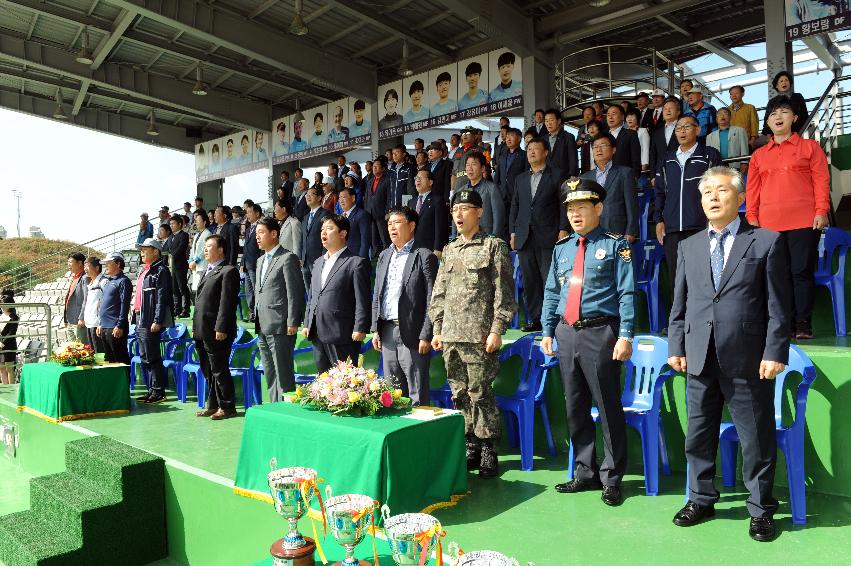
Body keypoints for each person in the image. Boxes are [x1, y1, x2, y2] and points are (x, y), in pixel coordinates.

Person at [668, 166, 791, 542]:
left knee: (755, 436)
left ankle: (760, 509)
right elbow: (680, 302)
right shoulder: (687, 246)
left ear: (740, 198)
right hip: (698, 354)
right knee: (699, 434)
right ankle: (701, 499)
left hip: (748, 357)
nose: (714, 198)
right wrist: (676, 344)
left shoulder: (766, 241)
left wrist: (774, 352)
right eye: (707, 193)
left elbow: (779, 306)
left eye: (722, 191)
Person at [541, 177, 635, 507]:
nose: (575, 214)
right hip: (568, 334)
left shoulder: (615, 245)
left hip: (601, 333)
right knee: (574, 405)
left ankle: (612, 477)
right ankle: (585, 471)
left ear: (598, 208)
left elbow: (626, 293)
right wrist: (547, 331)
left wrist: (625, 335)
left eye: (582, 207)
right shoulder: (561, 249)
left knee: (608, 407)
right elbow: (553, 292)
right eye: (570, 209)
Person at [429, 189, 516, 478]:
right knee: (459, 394)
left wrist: (496, 330)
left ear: (479, 212)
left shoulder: (494, 246)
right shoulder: (450, 249)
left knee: (481, 393)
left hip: (479, 336)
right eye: (455, 209)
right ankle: (470, 445)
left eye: (465, 208)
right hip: (452, 336)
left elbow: (504, 293)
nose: (459, 214)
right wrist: (438, 328)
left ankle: (489, 447)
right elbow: (439, 292)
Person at [747, 95, 830, 339]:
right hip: (770, 224)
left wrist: (821, 210)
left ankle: (803, 322)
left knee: (800, 272)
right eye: (773, 114)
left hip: (805, 220)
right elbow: (752, 189)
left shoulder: (810, 148)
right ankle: (783, 324)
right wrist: (752, 216)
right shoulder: (759, 156)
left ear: (794, 118)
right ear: (768, 122)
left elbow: (821, 180)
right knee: (776, 276)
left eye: (784, 112)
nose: (778, 117)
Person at [372, 207, 438, 406]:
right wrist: (375, 328)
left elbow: (432, 297)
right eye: (389, 224)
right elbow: (377, 293)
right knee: (391, 392)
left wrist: (427, 333)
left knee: (416, 392)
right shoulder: (384, 256)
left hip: (413, 331)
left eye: (397, 223)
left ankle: (419, 435)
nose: (392, 228)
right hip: (387, 330)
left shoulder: (424, 255)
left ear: (411, 226)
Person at [655, 116, 722, 288]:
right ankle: (679, 316)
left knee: (703, 278)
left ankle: (704, 315)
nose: (682, 131)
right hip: (672, 229)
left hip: (701, 226)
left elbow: (718, 189)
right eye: (678, 128)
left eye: (687, 127)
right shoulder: (667, 159)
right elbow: (660, 192)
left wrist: (714, 219)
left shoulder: (709, 154)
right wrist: (659, 220)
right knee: (676, 281)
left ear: (698, 130)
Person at [302, 215, 371, 373]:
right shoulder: (318, 262)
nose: (323, 233)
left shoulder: (355, 262)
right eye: (322, 229)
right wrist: (307, 322)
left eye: (329, 228)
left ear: (343, 233)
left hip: (342, 333)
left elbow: (363, 299)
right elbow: (312, 296)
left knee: (344, 384)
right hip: (317, 332)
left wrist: (360, 327)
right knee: (323, 383)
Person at [510, 137, 564, 333]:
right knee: (530, 280)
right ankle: (536, 319)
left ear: (546, 152)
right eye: (529, 149)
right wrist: (513, 231)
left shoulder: (557, 175)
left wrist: (563, 228)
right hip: (524, 235)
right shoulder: (520, 178)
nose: (532, 152)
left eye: (536, 148)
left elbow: (562, 204)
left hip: (548, 234)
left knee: (549, 280)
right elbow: (515, 206)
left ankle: (554, 320)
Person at [254, 217, 305, 403]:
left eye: (261, 233)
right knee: (269, 373)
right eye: (256, 233)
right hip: (262, 324)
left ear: (274, 234)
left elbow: (295, 293)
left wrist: (292, 321)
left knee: (283, 374)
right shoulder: (260, 260)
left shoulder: (287, 258)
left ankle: (287, 413)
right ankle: (275, 408)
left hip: (280, 324)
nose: (257, 237)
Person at [194, 235, 240, 420]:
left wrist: (221, 327)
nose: (205, 250)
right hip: (202, 329)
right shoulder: (207, 271)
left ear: (221, 249)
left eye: (209, 246)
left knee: (219, 370)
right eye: (204, 246)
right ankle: (213, 405)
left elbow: (226, 303)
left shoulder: (228, 271)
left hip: (216, 330)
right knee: (209, 371)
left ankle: (227, 407)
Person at [134, 238, 174, 404]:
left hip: (150, 320)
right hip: (139, 318)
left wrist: (157, 320)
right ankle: (151, 390)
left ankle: (158, 391)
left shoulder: (161, 271)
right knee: (144, 356)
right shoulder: (145, 270)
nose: (142, 252)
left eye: (145, 249)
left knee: (152, 357)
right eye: (141, 249)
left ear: (156, 251)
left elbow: (161, 298)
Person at [581, 133, 639, 241]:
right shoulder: (584, 178)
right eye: (595, 147)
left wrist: (631, 231)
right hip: (591, 231)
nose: (598, 149)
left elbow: (632, 205)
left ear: (613, 150)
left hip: (617, 230)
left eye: (603, 145)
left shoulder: (625, 173)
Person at [97, 252, 132, 365]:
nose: (105, 266)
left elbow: (124, 304)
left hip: (115, 328)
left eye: (108, 263)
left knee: (120, 359)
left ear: (118, 263)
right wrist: (100, 323)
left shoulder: (123, 281)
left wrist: (120, 325)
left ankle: (125, 382)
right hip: (105, 327)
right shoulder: (110, 281)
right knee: (110, 361)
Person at [460, 152, 506, 240]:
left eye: (473, 164)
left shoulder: (492, 188)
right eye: (467, 165)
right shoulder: (461, 191)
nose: (470, 168)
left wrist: (494, 239)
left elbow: (498, 217)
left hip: (485, 239)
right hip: (465, 239)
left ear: (482, 168)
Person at [409, 169, 448, 255]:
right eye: (416, 178)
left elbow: (440, 227)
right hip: (413, 248)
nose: (417, 180)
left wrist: (438, 248)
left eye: (421, 178)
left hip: (430, 248)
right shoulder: (411, 202)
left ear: (430, 182)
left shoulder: (437, 200)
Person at [301, 186, 329, 291]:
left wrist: (324, 258)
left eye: (311, 194)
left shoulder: (325, 214)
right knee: (309, 293)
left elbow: (327, 238)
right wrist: (301, 257)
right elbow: (303, 239)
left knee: (319, 290)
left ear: (319, 198)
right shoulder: (305, 217)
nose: (307, 196)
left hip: (319, 259)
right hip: (305, 261)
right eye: (306, 195)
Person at [494, 128, 528, 212]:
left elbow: (527, 176)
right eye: (507, 136)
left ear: (519, 138)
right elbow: (497, 177)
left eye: (512, 136)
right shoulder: (502, 156)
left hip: (517, 195)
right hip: (502, 195)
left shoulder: (524, 155)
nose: (508, 139)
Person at [365, 157, 393, 252]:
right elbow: (367, 198)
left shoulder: (387, 180)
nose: (374, 168)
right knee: (373, 237)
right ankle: (375, 255)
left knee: (384, 237)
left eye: (377, 166)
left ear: (383, 169)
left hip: (382, 214)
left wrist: (387, 211)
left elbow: (389, 197)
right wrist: (366, 211)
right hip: (370, 213)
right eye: (373, 166)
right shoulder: (370, 181)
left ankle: (386, 253)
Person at [606, 105, 642, 178]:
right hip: (606, 178)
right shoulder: (603, 136)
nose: (610, 117)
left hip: (625, 177)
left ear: (622, 117)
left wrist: (634, 177)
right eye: (608, 115)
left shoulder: (631, 134)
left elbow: (636, 158)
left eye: (613, 114)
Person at [544, 108, 578, 182]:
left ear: (559, 121)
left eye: (551, 120)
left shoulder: (568, 137)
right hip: (546, 179)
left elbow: (573, 158)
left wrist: (573, 175)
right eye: (546, 121)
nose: (548, 123)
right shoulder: (543, 139)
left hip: (564, 178)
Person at [241, 204, 262, 322]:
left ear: (257, 213)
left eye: (249, 212)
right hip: (247, 265)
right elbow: (245, 248)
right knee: (249, 291)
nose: (247, 215)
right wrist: (242, 263)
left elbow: (262, 248)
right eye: (247, 212)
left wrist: (260, 261)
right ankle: (252, 312)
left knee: (256, 289)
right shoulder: (249, 229)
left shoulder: (261, 227)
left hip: (256, 264)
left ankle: (259, 312)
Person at [650, 97, 681, 175]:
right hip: (660, 172)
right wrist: (653, 175)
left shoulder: (683, 128)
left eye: (671, 108)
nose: (668, 111)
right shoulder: (657, 132)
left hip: (679, 170)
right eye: (665, 109)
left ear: (678, 112)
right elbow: (653, 154)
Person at [167, 215, 191, 318]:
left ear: (180, 224)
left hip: (180, 265)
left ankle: (186, 309)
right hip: (172, 267)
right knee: (174, 289)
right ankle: (177, 309)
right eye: (170, 224)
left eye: (173, 224)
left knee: (182, 287)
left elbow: (181, 248)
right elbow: (167, 250)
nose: (171, 226)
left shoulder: (184, 235)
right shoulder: (170, 237)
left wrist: (172, 256)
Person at [64, 252, 89, 345]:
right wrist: (65, 319)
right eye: (68, 262)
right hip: (70, 320)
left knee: (82, 349)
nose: (68, 264)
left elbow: (86, 299)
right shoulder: (74, 278)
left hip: (79, 320)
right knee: (73, 349)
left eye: (71, 262)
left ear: (80, 263)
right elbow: (68, 299)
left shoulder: (85, 278)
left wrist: (82, 317)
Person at [339, 186, 371, 259]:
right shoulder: (340, 217)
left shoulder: (362, 214)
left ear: (353, 198)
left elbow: (365, 240)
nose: (341, 201)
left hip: (356, 258)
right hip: (342, 259)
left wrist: (360, 260)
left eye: (344, 197)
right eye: (339, 198)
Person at [82, 256, 106, 353]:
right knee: (92, 352)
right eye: (84, 267)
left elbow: (105, 304)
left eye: (87, 266)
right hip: (89, 323)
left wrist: (101, 323)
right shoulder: (91, 282)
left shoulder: (103, 282)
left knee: (99, 353)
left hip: (97, 324)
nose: (85, 269)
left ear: (97, 268)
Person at [189, 209, 211, 294]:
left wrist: (195, 261)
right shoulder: (197, 235)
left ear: (204, 222)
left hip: (202, 265)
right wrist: (190, 261)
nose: (196, 223)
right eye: (195, 221)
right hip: (194, 266)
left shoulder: (208, 234)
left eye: (198, 221)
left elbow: (204, 251)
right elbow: (192, 250)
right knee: (197, 290)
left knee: (202, 290)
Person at [0, 291, 19, 384]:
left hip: (9, 346)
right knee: (1, 368)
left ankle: (11, 389)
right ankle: (5, 387)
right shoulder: (0, 315)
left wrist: (2, 343)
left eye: (4, 304)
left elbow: (11, 333)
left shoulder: (14, 317)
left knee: (9, 369)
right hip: (0, 346)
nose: (2, 306)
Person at [389, 145, 413, 210]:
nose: (394, 155)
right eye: (393, 153)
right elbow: (389, 189)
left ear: (404, 154)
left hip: (404, 205)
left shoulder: (409, 168)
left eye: (397, 152)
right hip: (392, 205)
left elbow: (410, 189)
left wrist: (406, 207)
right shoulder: (392, 169)